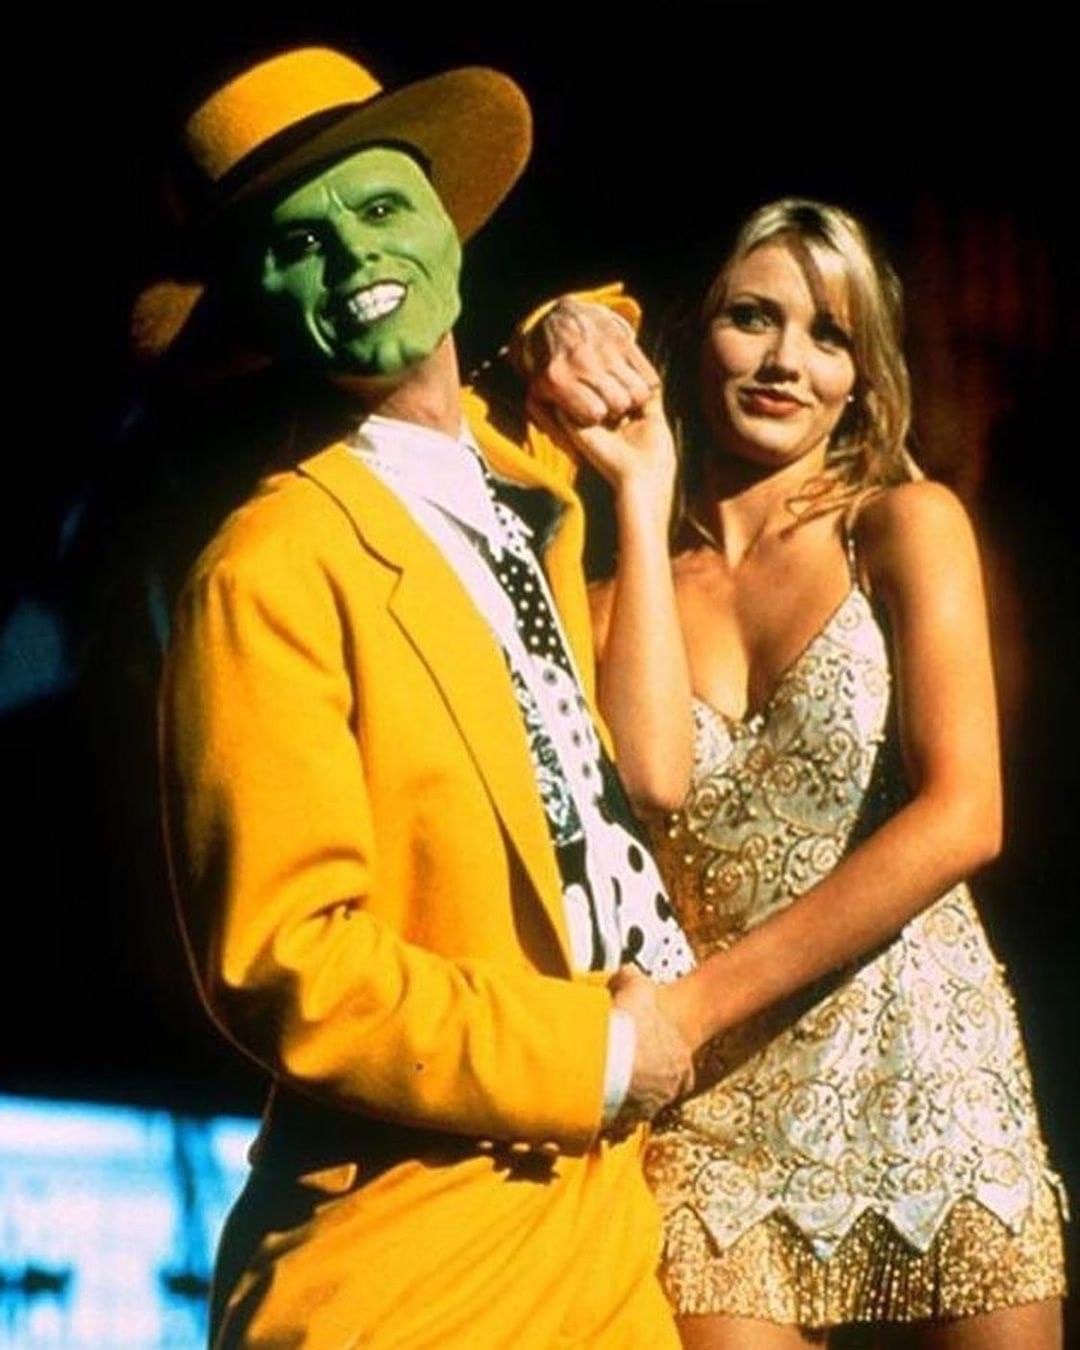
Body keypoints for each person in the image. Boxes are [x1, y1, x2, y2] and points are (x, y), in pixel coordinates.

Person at [149, 45, 698, 1347]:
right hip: (410, 1261)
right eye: (299, 245)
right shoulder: (267, 566)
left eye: (383, 207)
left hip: (608, 1238)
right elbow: (289, 963)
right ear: (254, 309)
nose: (353, 257)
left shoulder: (520, 469)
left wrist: (569, 318)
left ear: (451, 223)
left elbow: (578, 346)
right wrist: (598, 1058)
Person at [524, 200, 1067, 1348]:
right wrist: (639, 494)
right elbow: (656, 785)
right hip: (721, 1120)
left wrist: (692, 1009)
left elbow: (967, 816)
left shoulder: (906, 526)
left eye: (829, 336)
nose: (785, 361)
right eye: (753, 319)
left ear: (863, 380)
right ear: (694, 339)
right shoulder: (610, 602)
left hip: (928, 1072)